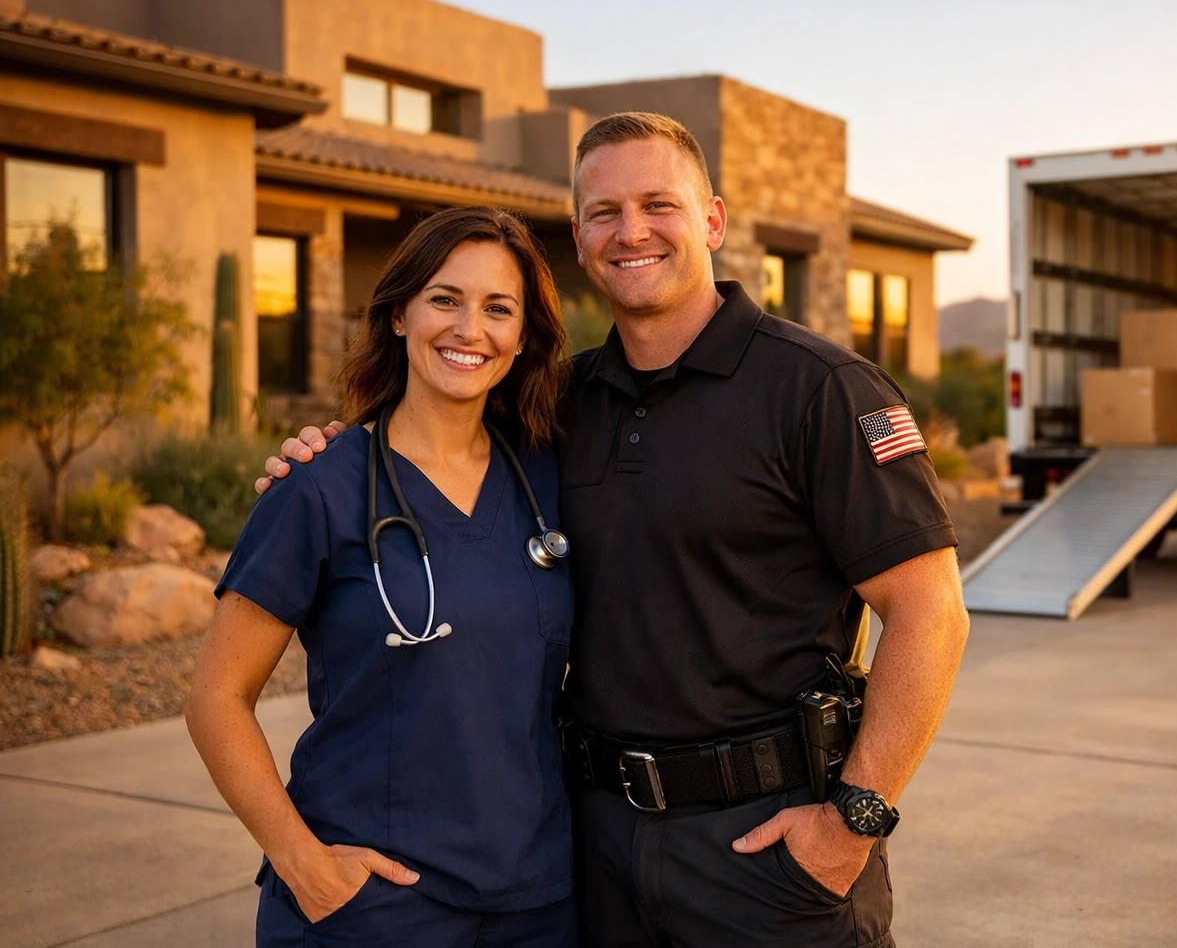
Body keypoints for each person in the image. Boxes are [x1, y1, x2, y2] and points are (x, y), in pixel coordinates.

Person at [262, 112, 971, 948]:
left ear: (711, 219)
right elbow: (433, 437)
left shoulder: (819, 389)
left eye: (657, 205)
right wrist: (329, 456)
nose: (631, 231)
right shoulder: (555, 405)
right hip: (591, 850)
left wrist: (855, 818)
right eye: (604, 212)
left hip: (764, 847)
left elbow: (931, 612)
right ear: (581, 234)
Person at [190, 206, 578, 948]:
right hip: (372, 907)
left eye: (499, 308)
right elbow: (216, 697)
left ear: (523, 336)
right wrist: (301, 860)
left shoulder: (548, 480)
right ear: (399, 314)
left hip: (537, 901)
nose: (471, 329)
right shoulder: (321, 489)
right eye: (445, 299)